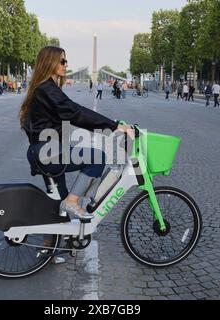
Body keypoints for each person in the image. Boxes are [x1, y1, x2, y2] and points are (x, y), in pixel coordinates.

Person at [20, 46, 134, 222]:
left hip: (44, 151)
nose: (66, 65)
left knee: (59, 205)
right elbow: (74, 112)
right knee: (97, 158)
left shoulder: (44, 88)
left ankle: (48, 244)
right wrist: (114, 126)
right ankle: (74, 201)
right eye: (63, 61)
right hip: (49, 153)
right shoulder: (47, 89)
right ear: (50, 62)